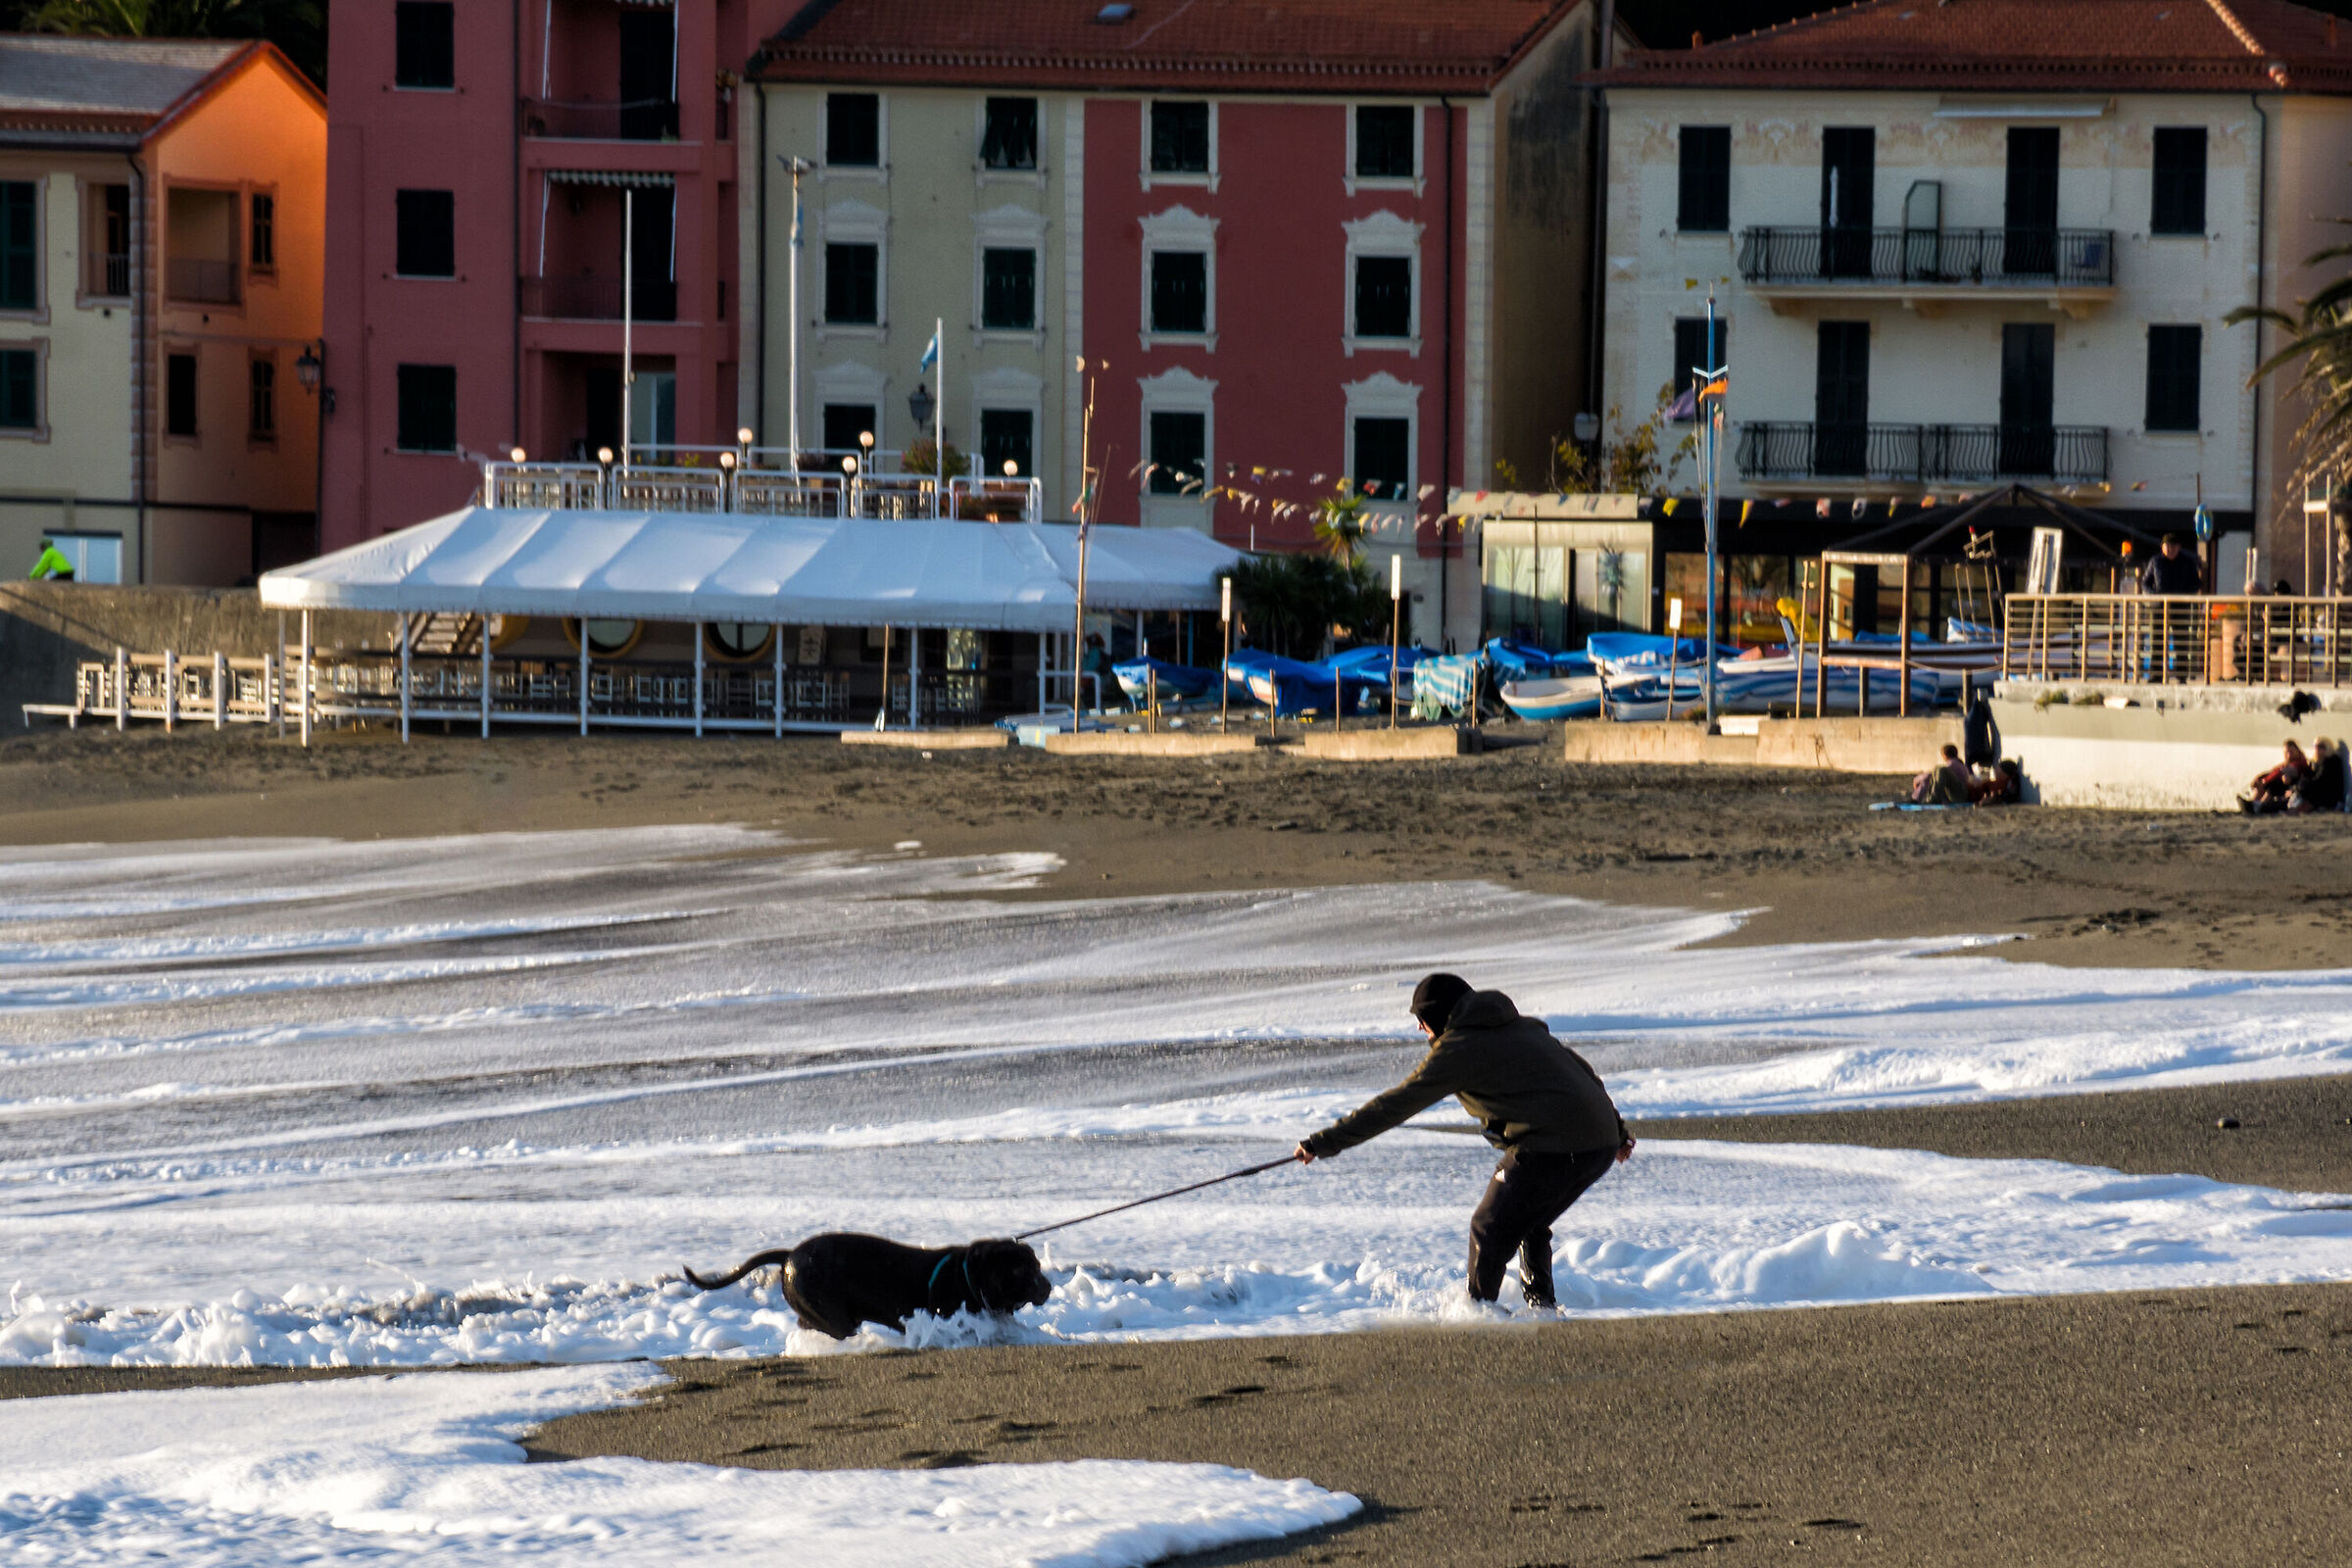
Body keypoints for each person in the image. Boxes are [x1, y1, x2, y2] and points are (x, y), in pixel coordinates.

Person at [1294, 973, 1634, 1309]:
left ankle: (1479, 1316)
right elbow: (1584, 1072)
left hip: (1552, 1146)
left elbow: (1394, 1105)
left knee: (1488, 1226)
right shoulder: (1524, 1028)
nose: (1419, 1029)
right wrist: (1617, 1132)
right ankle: (1541, 1309)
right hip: (1598, 1143)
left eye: (1421, 1020)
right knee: (1525, 1220)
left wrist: (1322, 1142)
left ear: (1438, 1017)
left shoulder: (1459, 1049)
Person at [2241, 740, 2309, 814]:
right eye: (2287, 753)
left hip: (2292, 787)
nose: (2289, 755)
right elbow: (2274, 771)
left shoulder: (2300, 763)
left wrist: (2265, 782)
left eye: (2291, 752)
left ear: (2297, 751)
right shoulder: (2287, 763)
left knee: (2271, 787)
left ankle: (2259, 805)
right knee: (2262, 785)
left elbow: (2280, 773)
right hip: (2283, 785)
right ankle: (2253, 803)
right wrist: (2260, 778)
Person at [2292, 737, 2346, 814]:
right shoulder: (2317, 762)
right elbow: (2311, 778)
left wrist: (2300, 787)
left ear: (2328, 747)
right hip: (2322, 793)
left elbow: (2321, 781)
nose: (2317, 749)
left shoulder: (2332, 760)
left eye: (2321, 746)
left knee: (2310, 796)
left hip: (2330, 795)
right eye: (2315, 746)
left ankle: (2297, 809)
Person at [2139, 532, 2202, 596]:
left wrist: (2185, 594)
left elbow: (2196, 583)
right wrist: (2154, 595)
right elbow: (2145, 583)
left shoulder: (2188, 562)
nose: (2171, 549)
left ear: (2179, 547)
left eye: (2174, 546)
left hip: (2182, 603)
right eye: (2168, 546)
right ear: (2162, 547)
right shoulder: (2155, 562)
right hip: (2160, 602)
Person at [1080, 633, 1129, 710]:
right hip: (1103, 687)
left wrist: (1082, 659)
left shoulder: (1094, 652)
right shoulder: (1100, 653)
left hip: (1099, 686)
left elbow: (1088, 667)